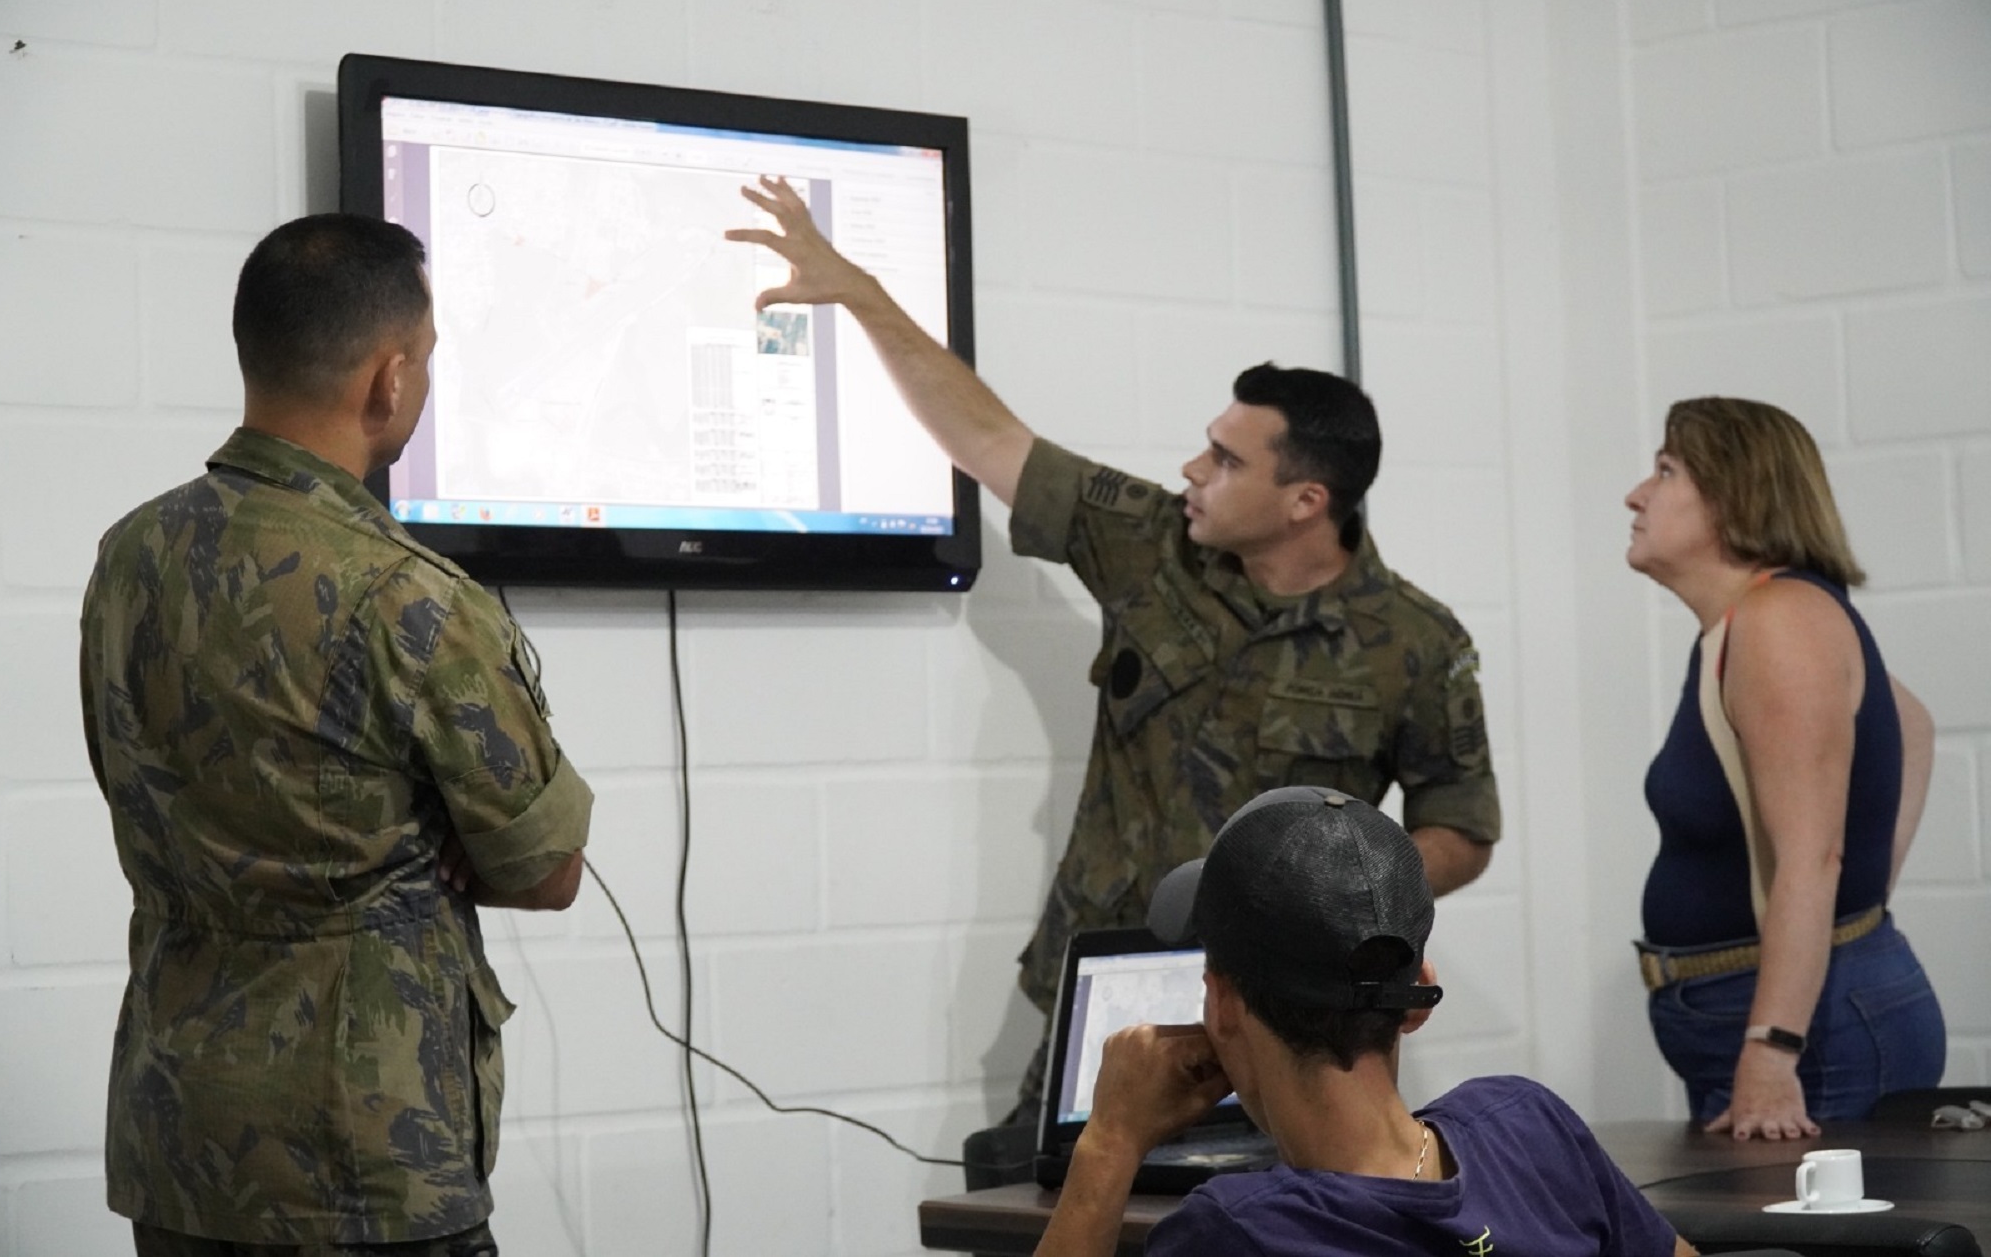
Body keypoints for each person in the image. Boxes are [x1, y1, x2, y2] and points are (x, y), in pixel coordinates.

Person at [728, 177, 1501, 1116]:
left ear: (1307, 502)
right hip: (1105, 995)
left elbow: (1460, 830)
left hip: (1295, 1027)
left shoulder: (1414, 641)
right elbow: (985, 438)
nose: (1192, 470)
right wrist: (859, 291)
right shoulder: (1151, 545)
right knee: (1043, 1219)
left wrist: (1341, 902)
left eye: (1225, 459)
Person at [79, 214, 594, 1255]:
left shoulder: (130, 556)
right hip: (363, 1157)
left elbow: (140, 786)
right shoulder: (410, 596)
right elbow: (547, 868)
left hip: (180, 1144)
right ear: (389, 378)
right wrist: (426, 852)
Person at [1034, 785, 1693, 1257]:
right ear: (1415, 999)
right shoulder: (1528, 1126)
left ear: (1225, 1006)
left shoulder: (1238, 1232)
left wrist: (1110, 1142)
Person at [1625, 396, 1943, 1140]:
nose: (1636, 494)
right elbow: (1915, 727)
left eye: (1666, 471)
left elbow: (1812, 854)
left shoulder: (1779, 623)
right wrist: (1851, 908)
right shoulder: (1750, 626)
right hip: (1777, 1015)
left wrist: (1772, 1049)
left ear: (1734, 498)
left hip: (1810, 1038)